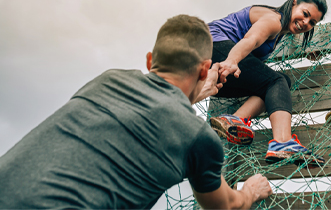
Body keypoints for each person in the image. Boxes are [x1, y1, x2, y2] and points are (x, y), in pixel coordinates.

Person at [0, 15, 272, 209]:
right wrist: (250, 191)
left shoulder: (107, 80)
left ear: (150, 60)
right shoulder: (199, 138)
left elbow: (152, 107)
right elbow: (223, 205)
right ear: (204, 69)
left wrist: (192, 93)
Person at [207, 0, 327, 166]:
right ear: (294, 3)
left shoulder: (282, 31)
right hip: (210, 47)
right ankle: (283, 142)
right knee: (276, 81)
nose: (306, 22)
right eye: (305, 14)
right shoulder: (274, 20)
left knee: (277, 83)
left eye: (312, 22)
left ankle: (234, 120)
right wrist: (232, 60)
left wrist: (309, 51)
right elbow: (251, 40)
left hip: (214, 68)